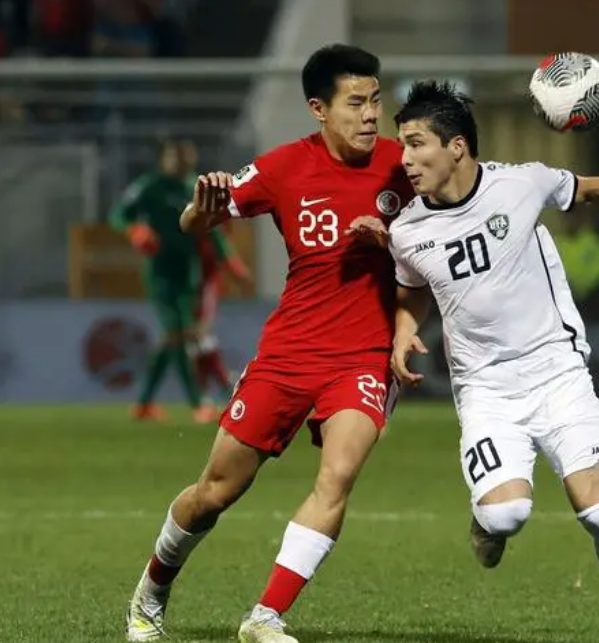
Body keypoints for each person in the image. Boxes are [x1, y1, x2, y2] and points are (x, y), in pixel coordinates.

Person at [125, 44, 413, 643]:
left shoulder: (401, 166)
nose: (370, 115)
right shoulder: (283, 167)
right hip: (287, 355)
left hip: (363, 357)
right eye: (355, 103)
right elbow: (193, 221)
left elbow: (452, 222)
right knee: (215, 492)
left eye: (375, 101)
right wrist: (201, 210)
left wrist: (395, 250)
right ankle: (151, 592)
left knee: (338, 476)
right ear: (318, 108)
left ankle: (265, 616)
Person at [387, 81, 599, 643]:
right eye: (402, 145)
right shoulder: (407, 231)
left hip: (557, 374)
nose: (405, 159)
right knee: (507, 516)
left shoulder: (520, 184)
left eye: (416, 144)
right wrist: (403, 330)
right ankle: (486, 519)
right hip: (485, 391)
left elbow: (589, 189)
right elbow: (413, 289)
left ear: (456, 147)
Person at [109, 138, 219, 424]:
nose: (181, 162)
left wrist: (227, 259)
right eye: (175, 157)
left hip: (189, 270)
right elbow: (118, 214)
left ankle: (143, 403)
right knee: (177, 333)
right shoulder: (149, 186)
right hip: (160, 271)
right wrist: (134, 230)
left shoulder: (195, 187)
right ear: (164, 159)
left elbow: (213, 229)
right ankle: (198, 404)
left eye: (185, 157)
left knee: (175, 336)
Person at [193, 220, 253, 403]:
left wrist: (239, 274)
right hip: (187, 287)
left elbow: (225, 254)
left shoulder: (211, 228)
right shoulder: (193, 226)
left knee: (199, 336)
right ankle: (220, 384)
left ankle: (217, 387)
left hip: (205, 286)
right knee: (196, 340)